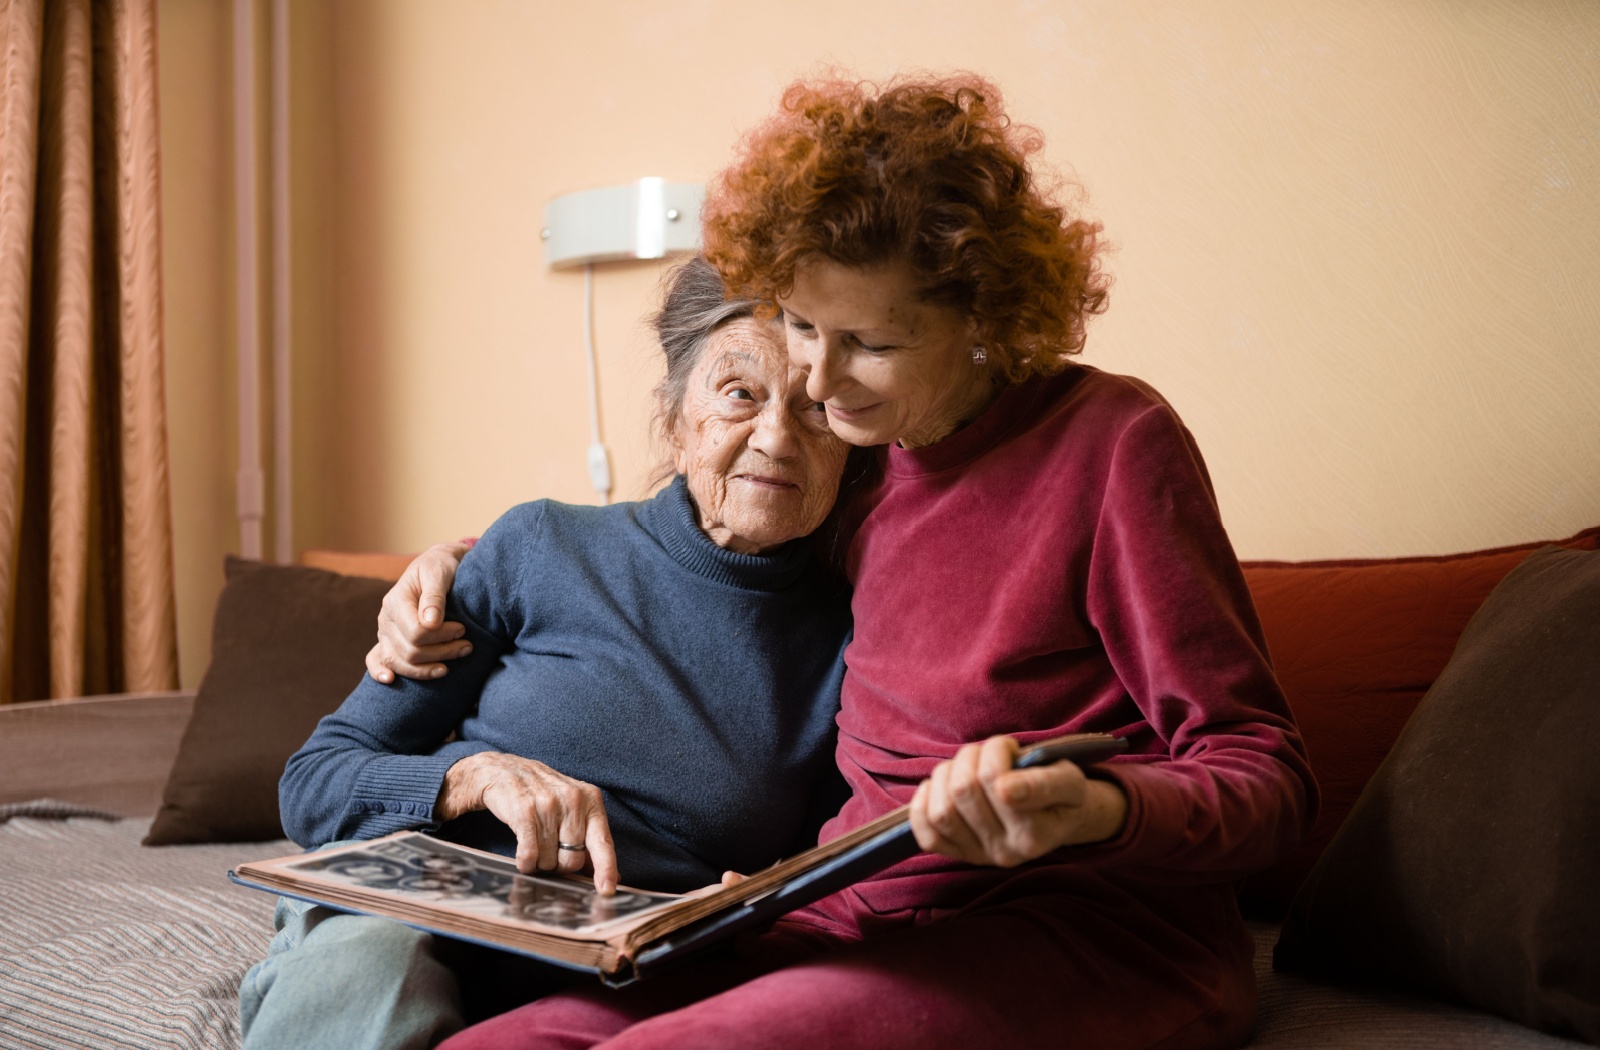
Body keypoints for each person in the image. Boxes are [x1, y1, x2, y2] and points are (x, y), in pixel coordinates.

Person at [378, 74, 1319, 1050]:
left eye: (869, 341)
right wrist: (455, 564)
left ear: (986, 318)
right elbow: (695, 528)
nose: (820, 383)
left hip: (1092, 934)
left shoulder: (1112, 443)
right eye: (799, 325)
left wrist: (1092, 808)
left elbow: (1265, 776)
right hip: (846, 914)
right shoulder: (863, 458)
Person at [238, 258, 856, 1050]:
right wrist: (467, 778)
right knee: (374, 969)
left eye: (813, 409)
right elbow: (313, 785)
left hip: (622, 968)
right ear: (674, 422)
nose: (776, 436)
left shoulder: (846, 642)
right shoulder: (541, 545)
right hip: (405, 915)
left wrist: (768, 901)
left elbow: (830, 863)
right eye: (740, 393)